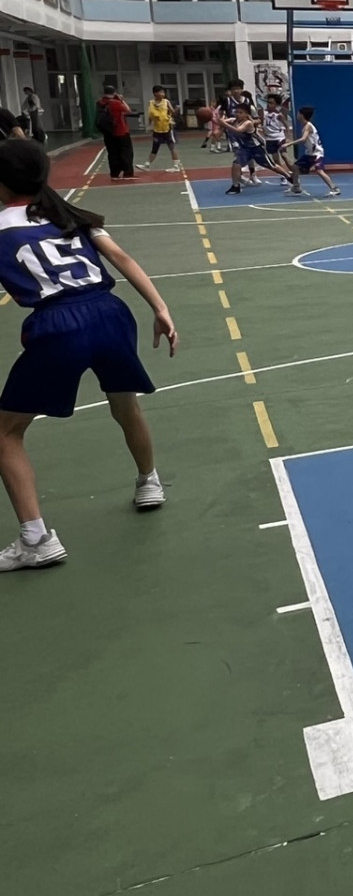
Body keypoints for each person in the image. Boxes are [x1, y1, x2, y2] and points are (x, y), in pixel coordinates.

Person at [0, 139, 176, 572]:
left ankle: (36, 539)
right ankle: (149, 481)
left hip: (59, 324)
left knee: (6, 433)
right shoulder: (68, 214)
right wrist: (160, 308)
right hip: (111, 313)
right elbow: (121, 257)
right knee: (124, 403)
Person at [293, 106, 341, 197]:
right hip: (310, 154)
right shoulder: (305, 126)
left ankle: (334, 188)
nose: (297, 115)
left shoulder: (308, 126)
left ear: (302, 115)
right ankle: (296, 187)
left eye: (298, 113)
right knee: (295, 167)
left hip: (317, 153)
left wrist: (288, 144)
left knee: (319, 170)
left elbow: (303, 139)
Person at [260, 92, 302, 193]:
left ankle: (294, 173)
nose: (268, 105)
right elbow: (262, 123)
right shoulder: (263, 113)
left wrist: (287, 137)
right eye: (268, 102)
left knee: (284, 156)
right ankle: (284, 175)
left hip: (279, 138)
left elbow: (286, 126)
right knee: (275, 159)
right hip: (269, 139)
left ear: (276, 105)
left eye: (271, 103)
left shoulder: (279, 115)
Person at [222, 102, 264, 196]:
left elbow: (258, 120)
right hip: (238, 142)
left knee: (270, 165)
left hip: (252, 143)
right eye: (236, 112)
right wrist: (219, 119)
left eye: (240, 112)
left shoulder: (250, 110)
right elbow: (222, 122)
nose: (237, 114)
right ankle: (238, 181)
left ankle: (287, 176)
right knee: (237, 161)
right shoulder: (232, 117)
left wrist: (252, 121)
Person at [96, 82, 135, 181]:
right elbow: (128, 110)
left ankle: (114, 173)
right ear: (114, 92)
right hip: (121, 130)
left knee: (112, 152)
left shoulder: (100, 102)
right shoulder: (116, 102)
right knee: (126, 152)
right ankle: (127, 172)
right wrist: (121, 99)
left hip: (108, 132)